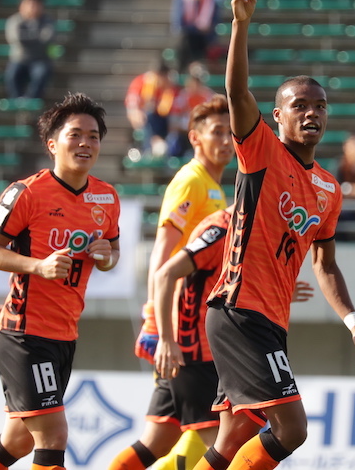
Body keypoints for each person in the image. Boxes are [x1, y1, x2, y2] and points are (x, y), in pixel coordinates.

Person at [187, 0, 355, 470]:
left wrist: (354, 324)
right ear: (278, 115)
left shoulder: (329, 188)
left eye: (320, 106)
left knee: (233, 438)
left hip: (271, 320)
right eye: (300, 106)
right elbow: (237, 94)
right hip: (238, 311)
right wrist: (240, 24)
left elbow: (326, 264)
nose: (311, 113)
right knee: (292, 428)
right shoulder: (261, 150)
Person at [0, 93, 121, 470]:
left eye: (94, 136)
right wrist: (38, 266)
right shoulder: (27, 192)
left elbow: (113, 254)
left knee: (16, 442)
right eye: (75, 134)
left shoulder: (107, 197)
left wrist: (106, 257)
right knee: (53, 435)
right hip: (25, 333)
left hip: (65, 334)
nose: (85, 143)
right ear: (52, 144)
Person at [110, 205, 313, 470]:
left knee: (157, 442)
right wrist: (166, 339)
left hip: (197, 351)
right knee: (226, 448)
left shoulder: (252, 228)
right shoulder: (223, 227)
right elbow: (165, 274)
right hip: (195, 352)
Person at [130, 95, 233, 470]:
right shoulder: (190, 182)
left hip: (195, 325)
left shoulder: (215, 187)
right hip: (184, 328)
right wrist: (155, 323)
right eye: (217, 132)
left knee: (160, 442)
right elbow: (162, 253)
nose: (226, 140)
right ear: (195, 138)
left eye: (230, 132)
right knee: (220, 442)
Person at [4, 0, 56, 100]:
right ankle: (17, 102)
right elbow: (16, 39)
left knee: (41, 74)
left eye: (35, 4)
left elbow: (47, 38)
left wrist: (27, 39)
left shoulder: (47, 21)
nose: (32, 7)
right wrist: (36, 38)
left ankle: (31, 101)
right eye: (29, 4)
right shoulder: (14, 21)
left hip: (40, 59)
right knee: (11, 75)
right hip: (19, 59)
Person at [124, 59, 181, 157]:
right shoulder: (140, 83)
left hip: (164, 124)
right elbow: (132, 111)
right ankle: (148, 150)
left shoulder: (171, 88)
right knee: (146, 115)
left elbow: (175, 117)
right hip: (146, 124)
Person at [171, 0, 220, 74]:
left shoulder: (212, 2)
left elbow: (213, 27)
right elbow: (178, 24)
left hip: (203, 40)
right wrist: (197, 29)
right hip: (186, 39)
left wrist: (201, 30)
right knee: (186, 40)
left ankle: (196, 68)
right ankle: (191, 68)